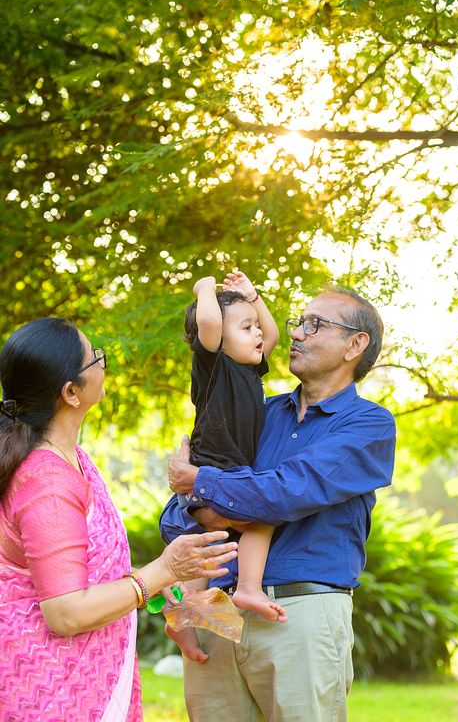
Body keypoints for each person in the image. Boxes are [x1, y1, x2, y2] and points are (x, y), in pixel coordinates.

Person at [160, 285, 396, 722]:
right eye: (298, 324)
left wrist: (202, 485)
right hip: (216, 614)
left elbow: (286, 491)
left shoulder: (369, 425)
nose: (297, 334)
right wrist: (199, 498)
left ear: (355, 345)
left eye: (315, 325)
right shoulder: (257, 412)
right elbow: (179, 509)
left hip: (299, 615)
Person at [0, 317, 238, 722]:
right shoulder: (48, 482)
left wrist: (155, 582)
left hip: (79, 681)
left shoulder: (69, 459)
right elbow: (66, 611)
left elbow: (73, 574)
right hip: (51, 692)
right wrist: (162, 571)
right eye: (94, 358)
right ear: (71, 392)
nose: (102, 363)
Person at [170, 271, 285, 663]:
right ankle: (248, 588)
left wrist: (253, 298)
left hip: (228, 474)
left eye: (255, 325)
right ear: (219, 338)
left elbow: (273, 336)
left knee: (208, 545)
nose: (258, 333)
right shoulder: (214, 365)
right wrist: (205, 288)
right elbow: (208, 323)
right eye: (246, 327)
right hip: (214, 470)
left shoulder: (250, 369)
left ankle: (181, 617)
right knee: (261, 517)